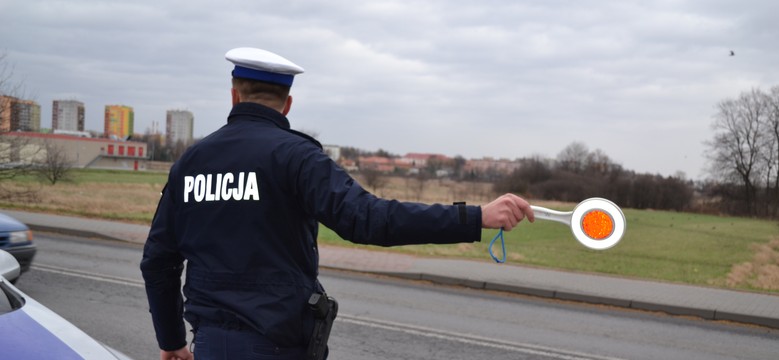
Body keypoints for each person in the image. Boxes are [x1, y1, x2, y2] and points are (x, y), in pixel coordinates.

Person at [140, 47, 535, 360]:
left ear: (233, 94)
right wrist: (476, 217)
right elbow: (369, 219)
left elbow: (159, 260)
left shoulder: (190, 163)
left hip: (208, 344)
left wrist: (172, 338)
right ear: (288, 104)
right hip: (276, 345)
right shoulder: (296, 157)